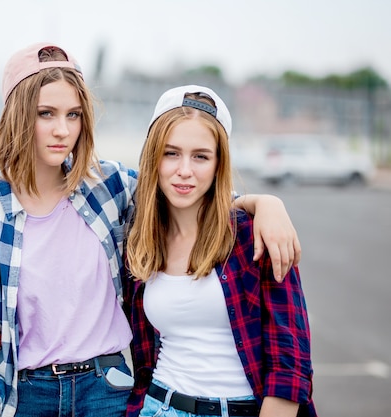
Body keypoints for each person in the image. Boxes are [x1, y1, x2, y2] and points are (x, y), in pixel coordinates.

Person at [0, 43, 302, 417]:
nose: (62, 130)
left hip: (107, 388)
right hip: (28, 395)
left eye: (74, 114)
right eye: (45, 113)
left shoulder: (108, 187)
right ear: (15, 115)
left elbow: (190, 193)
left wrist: (264, 204)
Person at [125, 85, 316, 417]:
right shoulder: (142, 238)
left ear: (218, 164)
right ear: (152, 158)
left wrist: (268, 203)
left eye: (200, 156)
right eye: (171, 153)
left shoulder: (253, 235)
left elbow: (290, 368)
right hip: (158, 406)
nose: (184, 169)